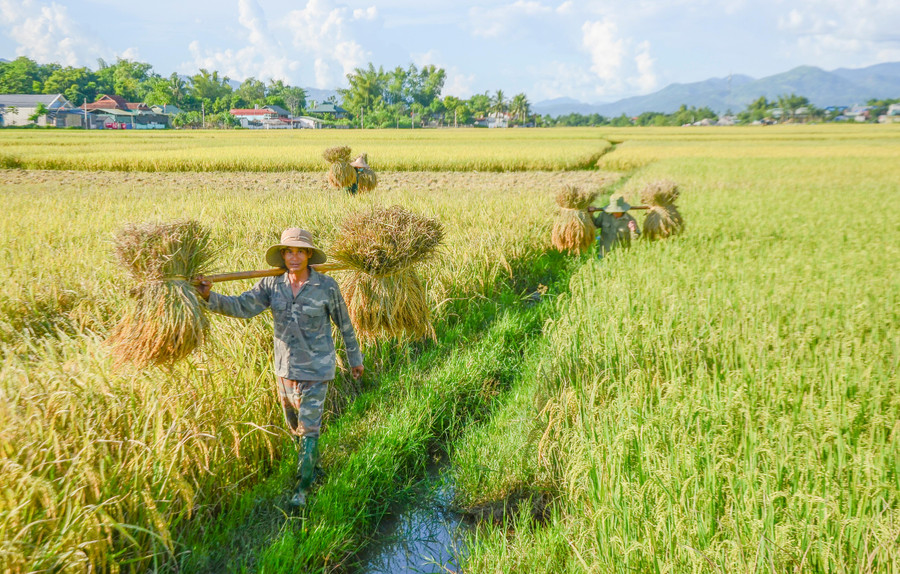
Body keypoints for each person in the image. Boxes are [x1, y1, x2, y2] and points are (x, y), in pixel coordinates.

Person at [196, 228, 364, 508]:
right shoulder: (271, 285)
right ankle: (313, 467)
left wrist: (354, 358)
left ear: (309, 255)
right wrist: (207, 297)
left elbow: (344, 324)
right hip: (284, 369)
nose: (294, 256)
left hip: (317, 369)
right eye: (289, 251)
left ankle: (303, 488)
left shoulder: (327, 286)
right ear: (282, 255)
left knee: (309, 428)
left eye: (300, 251)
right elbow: (242, 307)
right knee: (294, 427)